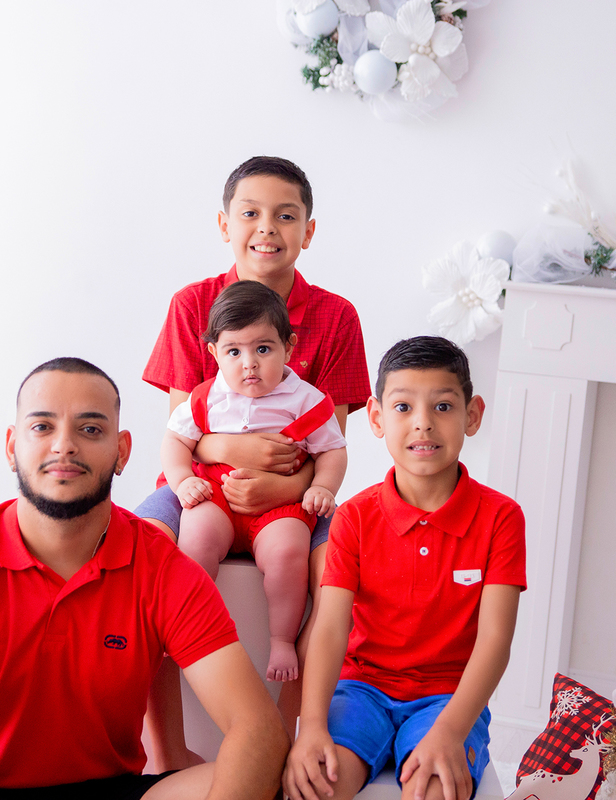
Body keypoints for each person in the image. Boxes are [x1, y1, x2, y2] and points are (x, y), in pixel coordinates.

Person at [0, 358, 289, 800]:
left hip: (109, 789)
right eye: (41, 427)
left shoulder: (166, 569)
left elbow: (257, 730)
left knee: (241, 774)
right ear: (11, 446)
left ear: (122, 451)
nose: (64, 446)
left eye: (90, 429)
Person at [138, 155, 370, 765]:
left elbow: (331, 441)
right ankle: (165, 749)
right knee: (138, 552)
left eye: (285, 215)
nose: (267, 228)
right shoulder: (193, 305)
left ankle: (293, 734)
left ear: (307, 232)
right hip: (194, 481)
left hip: (295, 486)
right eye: (250, 213)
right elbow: (181, 430)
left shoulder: (336, 316)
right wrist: (226, 452)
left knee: (340, 566)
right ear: (225, 225)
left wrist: (282, 489)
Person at [284, 337, 527, 800]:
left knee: (434, 789)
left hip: (449, 699)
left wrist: (451, 730)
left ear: (472, 415)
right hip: (362, 690)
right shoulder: (353, 516)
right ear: (376, 417)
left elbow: (496, 639)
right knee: (315, 786)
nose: (422, 423)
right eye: (402, 407)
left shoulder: (502, 518)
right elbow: (331, 628)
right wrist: (311, 725)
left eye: (442, 406)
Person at [162, 280, 348, 683]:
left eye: (263, 349)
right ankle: (187, 626)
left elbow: (332, 450)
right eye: (234, 351)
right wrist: (181, 483)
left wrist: (322, 487)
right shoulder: (205, 397)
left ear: (289, 347)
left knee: (287, 554)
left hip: (280, 505)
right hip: (217, 496)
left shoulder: (307, 400)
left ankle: (281, 639)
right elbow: (176, 441)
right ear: (214, 353)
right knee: (194, 541)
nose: (249, 363)